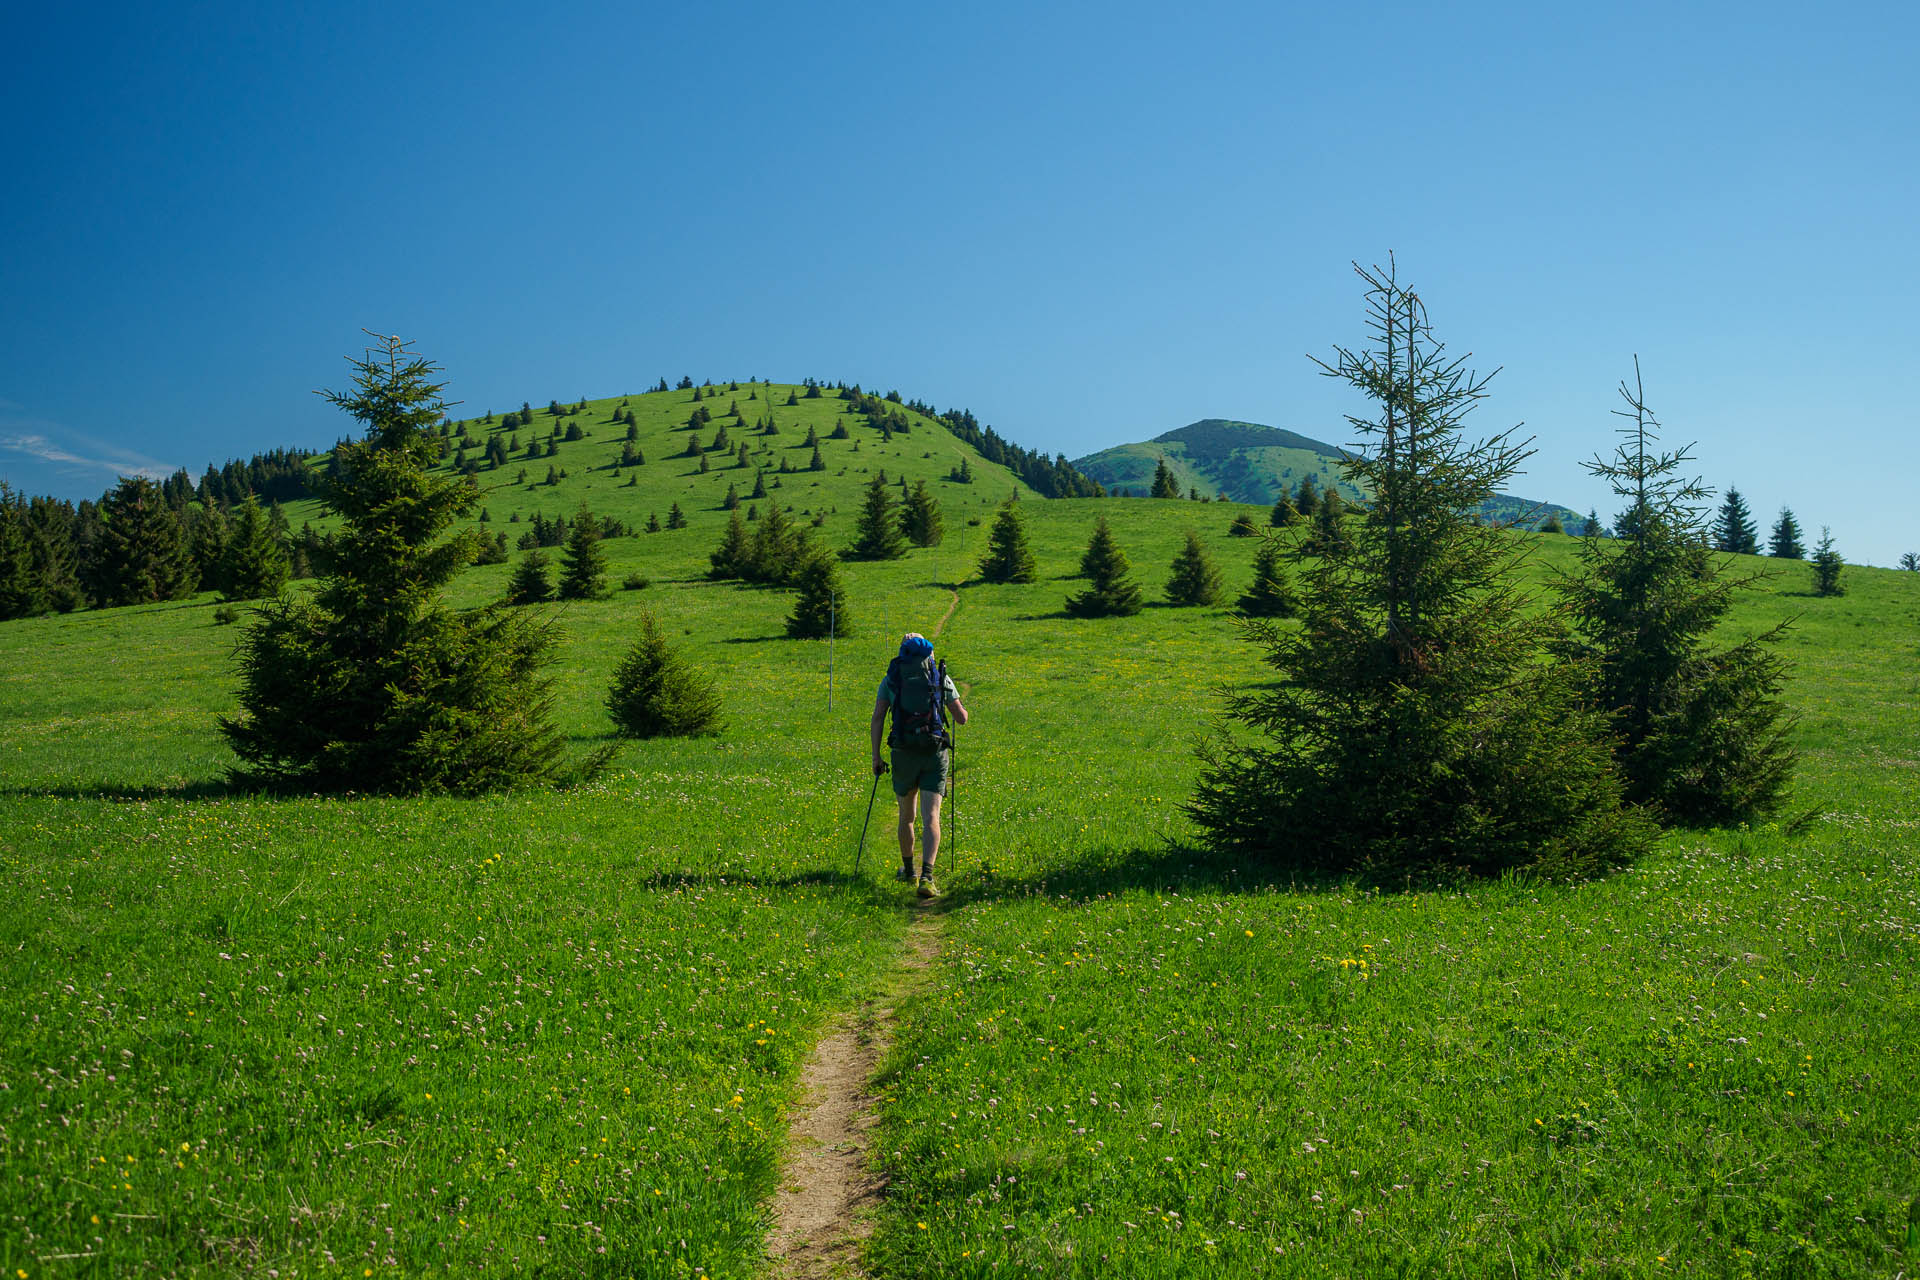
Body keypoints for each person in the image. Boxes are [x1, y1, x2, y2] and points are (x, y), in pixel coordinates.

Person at [870, 632, 968, 898]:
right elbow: (961, 718)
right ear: (928, 654)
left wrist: (876, 757)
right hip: (933, 752)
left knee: (907, 816)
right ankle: (927, 876)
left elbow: (878, 717)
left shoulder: (891, 679)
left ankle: (908, 870)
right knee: (931, 816)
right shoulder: (939, 677)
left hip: (902, 753)